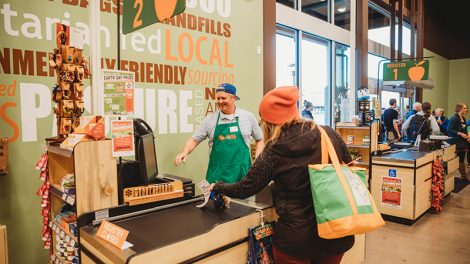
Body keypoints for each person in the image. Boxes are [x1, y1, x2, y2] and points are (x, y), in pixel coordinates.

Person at [212, 86, 354, 264]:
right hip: (336, 231)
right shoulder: (328, 134)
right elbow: (348, 166)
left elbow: (245, 188)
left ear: (269, 122)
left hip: (296, 239)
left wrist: (218, 186)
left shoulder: (273, 150)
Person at [174, 83, 264, 183]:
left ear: (233, 98)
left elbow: (259, 139)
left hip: (242, 178)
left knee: (241, 199)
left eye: (223, 98)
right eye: (218, 98)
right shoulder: (210, 120)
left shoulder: (248, 117)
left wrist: (257, 161)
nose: (220, 102)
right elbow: (194, 140)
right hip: (216, 179)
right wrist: (184, 152)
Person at [447, 103, 469, 181]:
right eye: (464, 108)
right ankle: (461, 176)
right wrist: (459, 133)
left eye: (466, 108)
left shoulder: (463, 118)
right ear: (459, 109)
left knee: (462, 159)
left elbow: (464, 129)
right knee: (456, 159)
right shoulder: (453, 118)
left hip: (462, 141)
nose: (466, 110)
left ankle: (464, 175)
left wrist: (467, 135)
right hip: (455, 141)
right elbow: (449, 129)